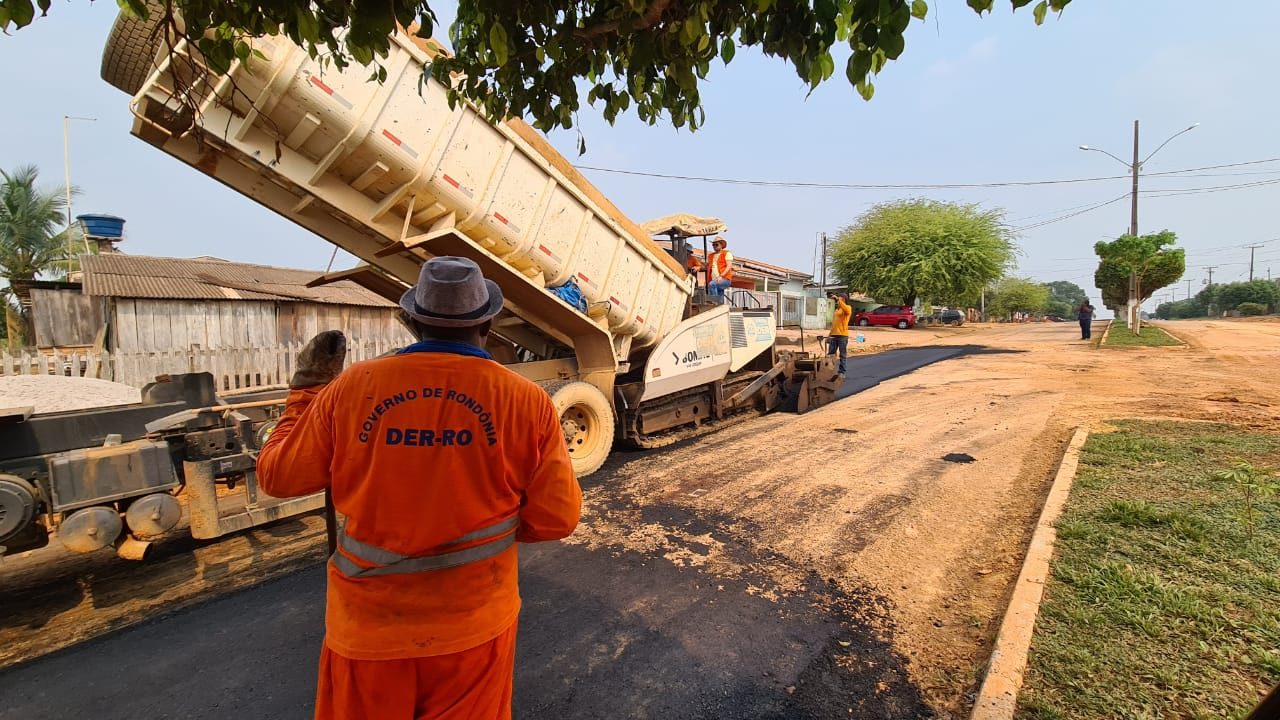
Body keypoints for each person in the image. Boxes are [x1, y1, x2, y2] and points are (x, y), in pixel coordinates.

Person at [258, 256, 582, 720]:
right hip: (473, 628)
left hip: (366, 631)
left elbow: (278, 477)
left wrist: (306, 394)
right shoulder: (524, 400)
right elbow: (558, 519)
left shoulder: (352, 387)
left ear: (411, 322)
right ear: (487, 323)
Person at [827, 293, 852, 375]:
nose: (838, 301)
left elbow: (845, 308)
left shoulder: (847, 308)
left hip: (842, 335)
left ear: (844, 299)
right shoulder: (837, 310)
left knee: (842, 354)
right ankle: (830, 370)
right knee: (831, 354)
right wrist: (829, 335)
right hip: (834, 335)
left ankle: (842, 372)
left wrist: (838, 300)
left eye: (840, 299)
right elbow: (834, 324)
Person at [706, 236, 734, 305]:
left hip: (725, 279)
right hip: (714, 279)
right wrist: (698, 267)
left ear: (721, 245)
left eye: (716, 244)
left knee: (712, 284)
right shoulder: (710, 256)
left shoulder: (727, 253)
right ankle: (720, 307)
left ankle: (715, 303)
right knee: (719, 293)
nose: (714, 246)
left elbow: (729, 266)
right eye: (713, 245)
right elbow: (706, 266)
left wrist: (721, 276)